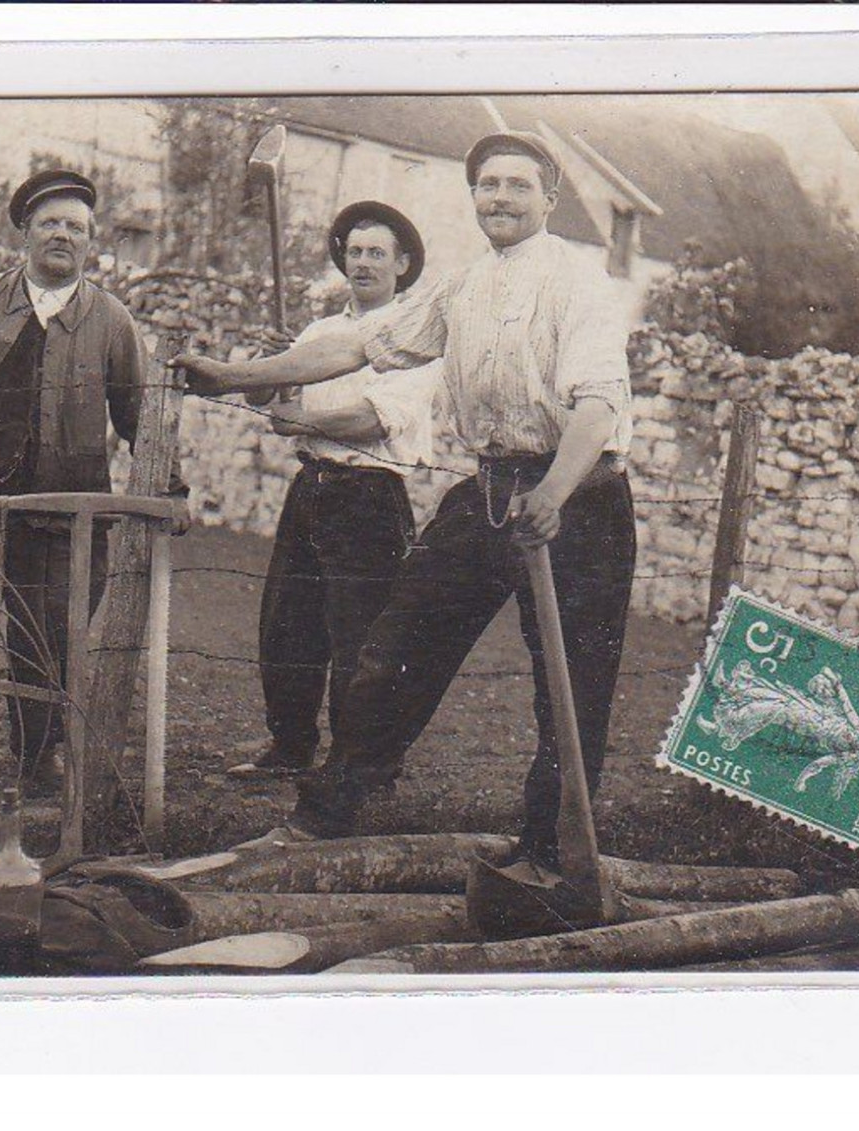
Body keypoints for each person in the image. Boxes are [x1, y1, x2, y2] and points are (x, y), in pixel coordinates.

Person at [174, 132, 635, 869]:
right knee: (392, 647)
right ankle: (325, 815)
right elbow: (359, 347)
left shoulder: (578, 284)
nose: (500, 198)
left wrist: (553, 492)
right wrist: (232, 375)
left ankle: (549, 852)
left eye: (518, 186)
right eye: (487, 184)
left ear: (549, 200)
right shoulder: (464, 284)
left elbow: (599, 402)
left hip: (577, 501)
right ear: (473, 195)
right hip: (487, 489)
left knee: (571, 688)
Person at [0, 169, 186, 796]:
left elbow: (138, 414)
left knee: (55, 632)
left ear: (91, 243)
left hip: (65, 511)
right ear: (25, 233)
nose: (63, 236)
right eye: (51, 223)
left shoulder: (110, 321)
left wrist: (170, 485)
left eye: (76, 228)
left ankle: (39, 757)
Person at [230, 202, 443, 779]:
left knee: (362, 638)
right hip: (311, 488)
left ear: (402, 265)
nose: (364, 263)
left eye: (378, 253)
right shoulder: (320, 332)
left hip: (371, 495)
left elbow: (377, 419)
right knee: (287, 626)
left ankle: (360, 763)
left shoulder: (420, 337)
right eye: (355, 252)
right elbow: (268, 406)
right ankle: (290, 748)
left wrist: (304, 419)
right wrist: (270, 365)